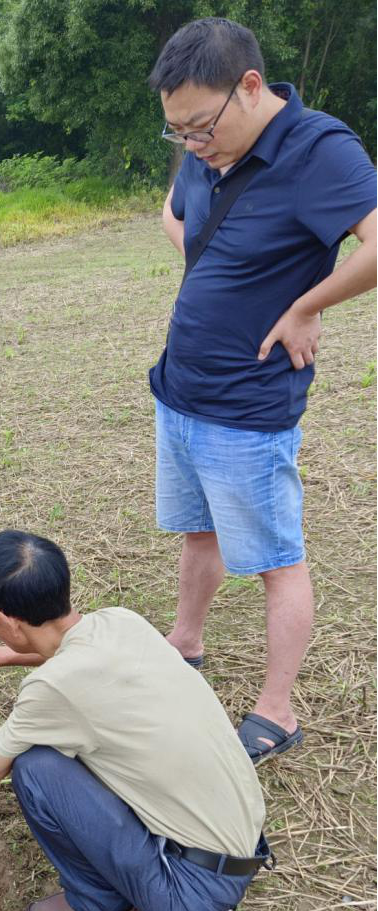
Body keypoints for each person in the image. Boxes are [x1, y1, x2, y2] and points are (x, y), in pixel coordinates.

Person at [147, 19, 376, 763]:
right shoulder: (200, 147)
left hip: (248, 405)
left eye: (201, 126)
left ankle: (275, 712)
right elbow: (175, 214)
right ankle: (186, 640)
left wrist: (308, 303)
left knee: (278, 558)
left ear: (251, 87)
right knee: (198, 529)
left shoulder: (319, 149)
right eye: (175, 132)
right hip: (181, 388)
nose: (192, 143)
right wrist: (217, 274)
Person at [0, 530, 270, 911]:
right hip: (243, 844)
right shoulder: (122, 621)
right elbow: (67, 649)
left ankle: (104, 904)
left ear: (8, 622)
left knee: (35, 767)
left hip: (191, 889)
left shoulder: (52, 689)